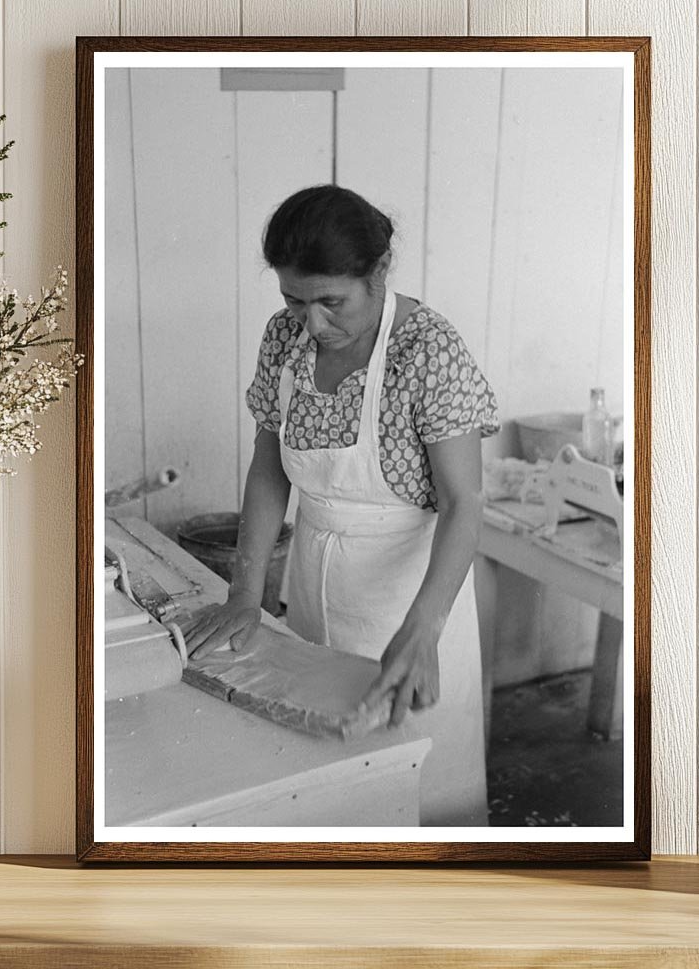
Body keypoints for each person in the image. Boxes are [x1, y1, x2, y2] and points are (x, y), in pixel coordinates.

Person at [184, 184, 499, 827]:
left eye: (332, 302)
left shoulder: (428, 352)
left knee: (415, 785)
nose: (313, 324)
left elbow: (464, 502)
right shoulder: (285, 339)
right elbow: (269, 467)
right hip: (313, 580)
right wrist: (245, 595)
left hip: (412, 596)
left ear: (378, 271)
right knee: (321, 781)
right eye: (294, 300)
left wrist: (424, 629)